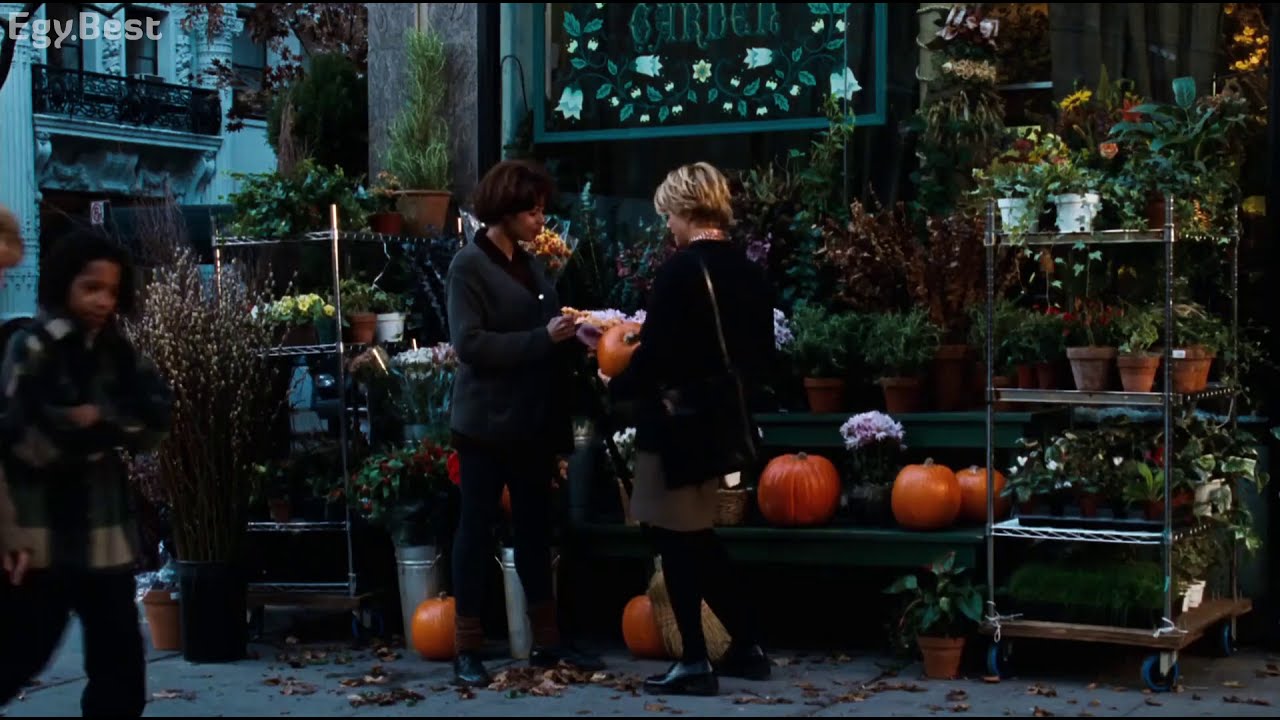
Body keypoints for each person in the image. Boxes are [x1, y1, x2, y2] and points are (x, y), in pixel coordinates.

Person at [603, 162, 776, 697]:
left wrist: (612, 378)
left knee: (672, 537)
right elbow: (761, 354)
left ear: (684, 209)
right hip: (724, 423)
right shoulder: (748, 271)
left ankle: (695, 660)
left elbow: (657, 357)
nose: (668, 226)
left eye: (669, 216)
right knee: (696, 535)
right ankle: (747, 643)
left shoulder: (680, 271)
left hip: (676, 424)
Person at [0, 231, 173, 717]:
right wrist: (101, 425)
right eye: (91, 287)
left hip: (106, 537)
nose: (102, 301)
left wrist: (94, 420)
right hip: (43, 535)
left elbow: (156, 417)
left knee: (120, 665)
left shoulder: (117, 353)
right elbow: (27, 438)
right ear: (65, 285)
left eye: (111, 291)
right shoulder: (33, 346)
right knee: (21, 652)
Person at [445, 159, 603, 687]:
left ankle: (548, 641)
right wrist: (543, 339)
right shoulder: (469, 266)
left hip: (533, 420)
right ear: (505, 210)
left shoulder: (530, 264)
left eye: (542, 210)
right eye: (532, 211)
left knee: (536, 530)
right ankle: (466, 646)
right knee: (476, 529)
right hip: (486, 423)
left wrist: (575, 335)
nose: (540, 220)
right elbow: (470, 344)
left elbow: (542, 330)